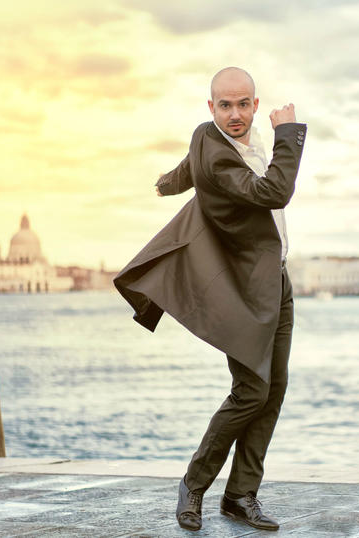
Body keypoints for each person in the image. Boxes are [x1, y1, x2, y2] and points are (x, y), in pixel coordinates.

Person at [113, 66, 306, 531]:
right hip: (242, 289)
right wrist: (289, 135)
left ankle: (241, 495)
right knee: (251, 391)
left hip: (276, 281)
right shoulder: (220, 152)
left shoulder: (223, 143)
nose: (235, 114)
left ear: (255, 105)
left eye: (243, 104)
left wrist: (165, 183)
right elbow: (273, 192)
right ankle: (194, 485)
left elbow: (188, 168)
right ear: (211, 107)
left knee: (273, 390)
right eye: (225, 105)